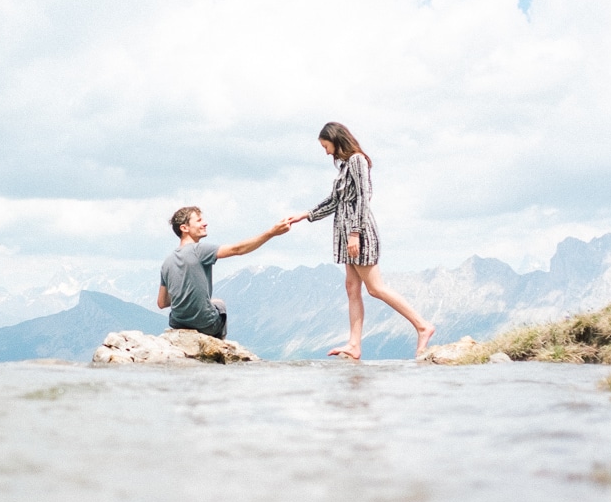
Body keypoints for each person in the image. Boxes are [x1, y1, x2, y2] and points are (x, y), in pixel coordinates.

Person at [287, 122, 436, 359]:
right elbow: (335, 201)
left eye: (326, 146)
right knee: (352, 287)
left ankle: (422, 325)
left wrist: (355, 233)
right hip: (347, 235)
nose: (326, 152)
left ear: (336, 140)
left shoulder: (357, 160)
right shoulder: (345, 166)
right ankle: (354, 344)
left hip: (359, 233)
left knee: (375, 288)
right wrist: (305, 214)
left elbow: (365, 197)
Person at [158, 206, 291, 339]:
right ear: (184, 228)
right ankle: (220, 346)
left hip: (177, 323)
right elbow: (237, 249)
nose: (205, 223)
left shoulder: (167, 263)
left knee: (212, 302)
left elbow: (162, 303)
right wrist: (271, 233)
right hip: (206, 324)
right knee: (219, 304)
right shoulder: (198, 250)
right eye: (199, 221)